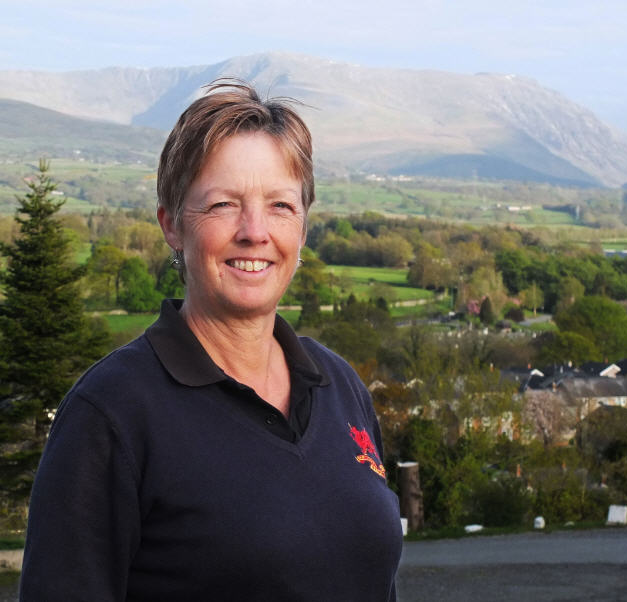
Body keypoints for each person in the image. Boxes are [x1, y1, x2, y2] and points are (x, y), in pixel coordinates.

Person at [19, 80, 403, 601]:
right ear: (173, 225)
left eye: (280, 206)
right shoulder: (111, 412)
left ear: (303, 229)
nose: (254, 231)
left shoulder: (339, 385)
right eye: (223, 204)